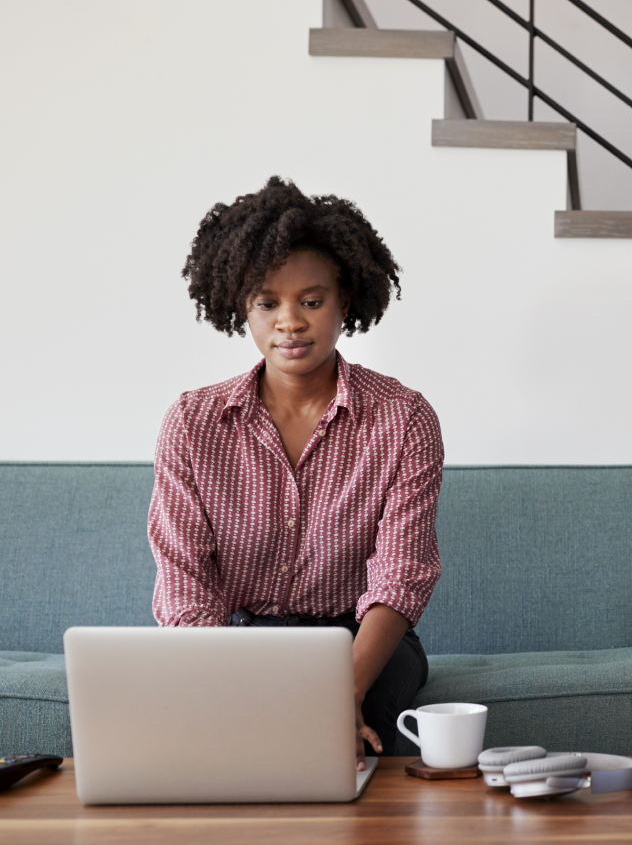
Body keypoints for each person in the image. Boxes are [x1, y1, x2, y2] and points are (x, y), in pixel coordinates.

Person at [148, 176, 443, 768]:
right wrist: (216, 680)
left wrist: (346, 688)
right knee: (229, 735)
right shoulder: (193, 422)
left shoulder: (404, 419)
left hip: (362, 641)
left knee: (342, 734)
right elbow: (184, 580)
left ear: (346, 302)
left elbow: (401, 574)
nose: (290, 322)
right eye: (267, 303)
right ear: (242, 307)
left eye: (311, 300)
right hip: (244, 638)